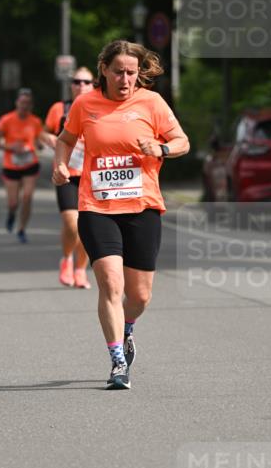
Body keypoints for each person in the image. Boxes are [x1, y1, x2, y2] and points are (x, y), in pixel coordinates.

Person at [53, 39, 189, 390]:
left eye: (131, 73)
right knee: (111, 283)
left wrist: (160, 147)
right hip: (98, 206)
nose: (125, 79)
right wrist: (60, 165)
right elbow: (66, 139)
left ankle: (127, 328)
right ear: (104, 70)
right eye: (118, 72)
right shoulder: (86, 104)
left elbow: (181, 141)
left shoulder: (152, 102)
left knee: (140, 295)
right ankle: (117, 362)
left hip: (142, 206)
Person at [42, 67, 94, 288]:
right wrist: (52, 140)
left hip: (92, 176)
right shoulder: (59, 108)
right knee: (72, 224)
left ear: (93, 85)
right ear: (71, 85)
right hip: (66, 173)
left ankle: (81, 269)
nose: (81, 85)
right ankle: (67, 259)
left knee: (88, 227)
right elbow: (43, 131)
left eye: (86, 81)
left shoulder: (99, 107)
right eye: (76, 81)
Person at [0, 88, 43, 243]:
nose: (24, 106)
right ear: (16, 103)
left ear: (31, 106)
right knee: (13, 202)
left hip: (30, 163)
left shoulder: (35, 121)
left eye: (27, 103)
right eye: (22, 103)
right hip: (11, 165)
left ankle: (22, 229)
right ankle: (11, 214)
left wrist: (38, 146)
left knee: (27, 197)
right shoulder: (7, 120)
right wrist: (11, 147)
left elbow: (38, 141)